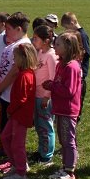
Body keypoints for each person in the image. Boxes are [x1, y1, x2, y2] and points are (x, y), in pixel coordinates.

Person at [47, 32, 84, 179]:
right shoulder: (60, 64)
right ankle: (65, 167)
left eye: (58, 44)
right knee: (63, 139)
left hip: (68, 110)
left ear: (68, 47)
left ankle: (70, 171)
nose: (54, 46)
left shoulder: (72, 67)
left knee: (68, 140)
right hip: (60, 108)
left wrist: (52, 86)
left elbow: (69, 91)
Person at [0, 44, 37, 179]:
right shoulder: (24, 73)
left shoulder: (25, 75)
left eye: (15, 57)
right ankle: (16, 164)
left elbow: (21, 99)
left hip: (20, 115)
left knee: (17, 144)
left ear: (23, 58)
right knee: (5, 137)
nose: (14, 60)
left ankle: (21, 172)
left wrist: (9, 110)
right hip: (16, 114)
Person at [31, 25, 58, 166]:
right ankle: (42, 150)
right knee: (39, 125)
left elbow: (53, 79)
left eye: (36, 38)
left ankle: (47, 156)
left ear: (46, 40)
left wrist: (47, 96)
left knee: (46, 126)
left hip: (44, 98)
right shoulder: (40, 52)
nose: (33, 40)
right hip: (37, 95)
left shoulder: (51, 56)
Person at [60, 12, 90, 118]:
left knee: (77, 99)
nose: (66, 30)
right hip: (74, 70)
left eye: (67, 27)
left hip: (80, 73)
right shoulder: (76, 34)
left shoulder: (82, 35)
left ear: (73, 23)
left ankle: (75, 118)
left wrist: (76, 60)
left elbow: (87, 53)